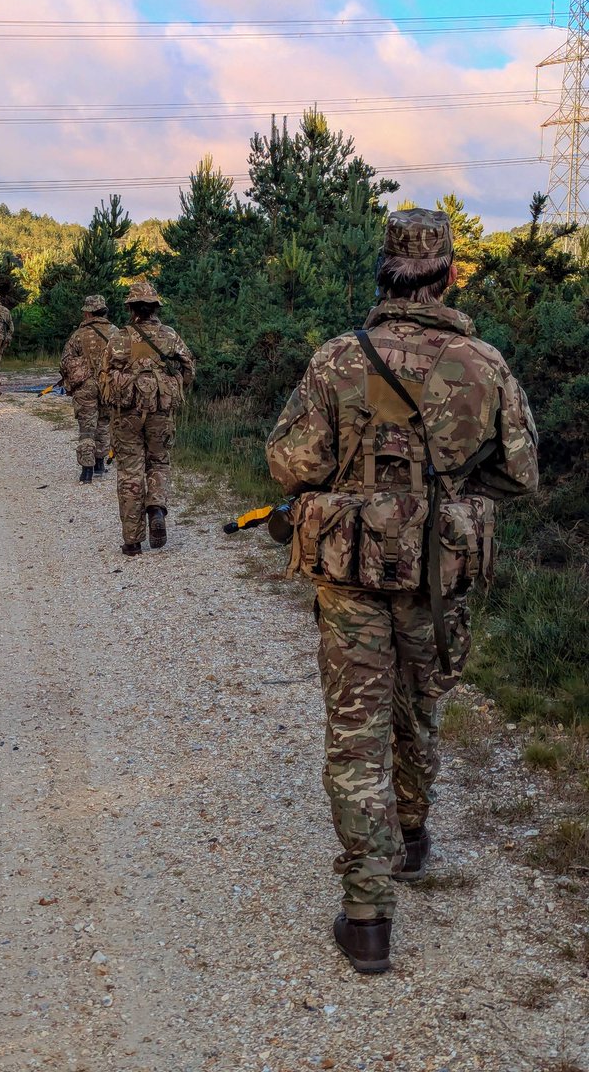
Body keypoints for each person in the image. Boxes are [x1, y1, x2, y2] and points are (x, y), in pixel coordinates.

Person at [265, 208, 539, 974]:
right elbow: (520, 473)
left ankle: (367, 916)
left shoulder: (336, 361)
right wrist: (446, 492)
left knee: (356, 736)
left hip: (351, 579)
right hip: (433, 572)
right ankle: (412, 837)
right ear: (449, 273)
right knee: (418, 707)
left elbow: (290, 464)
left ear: (383, 272)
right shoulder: (484, 364)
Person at [100, 280, 195, 556]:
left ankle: (132, 541)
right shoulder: (170, 335)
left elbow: (103, 373)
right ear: (155, 307)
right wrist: (174, 387)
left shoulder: (119, 338)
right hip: (161, 411)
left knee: (130, 471)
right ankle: (156, 508)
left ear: (131, 309)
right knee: (159, 462)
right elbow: (189, 366)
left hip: (126, 415)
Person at [60, 294, 118, 484]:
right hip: (108, 385)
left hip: (85, 387)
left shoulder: (78, 335)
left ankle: (86, 471)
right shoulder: (115, 332)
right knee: (103, 423)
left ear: (88, 313)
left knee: (87, 428)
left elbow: (65, 363)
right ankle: (100, 465)